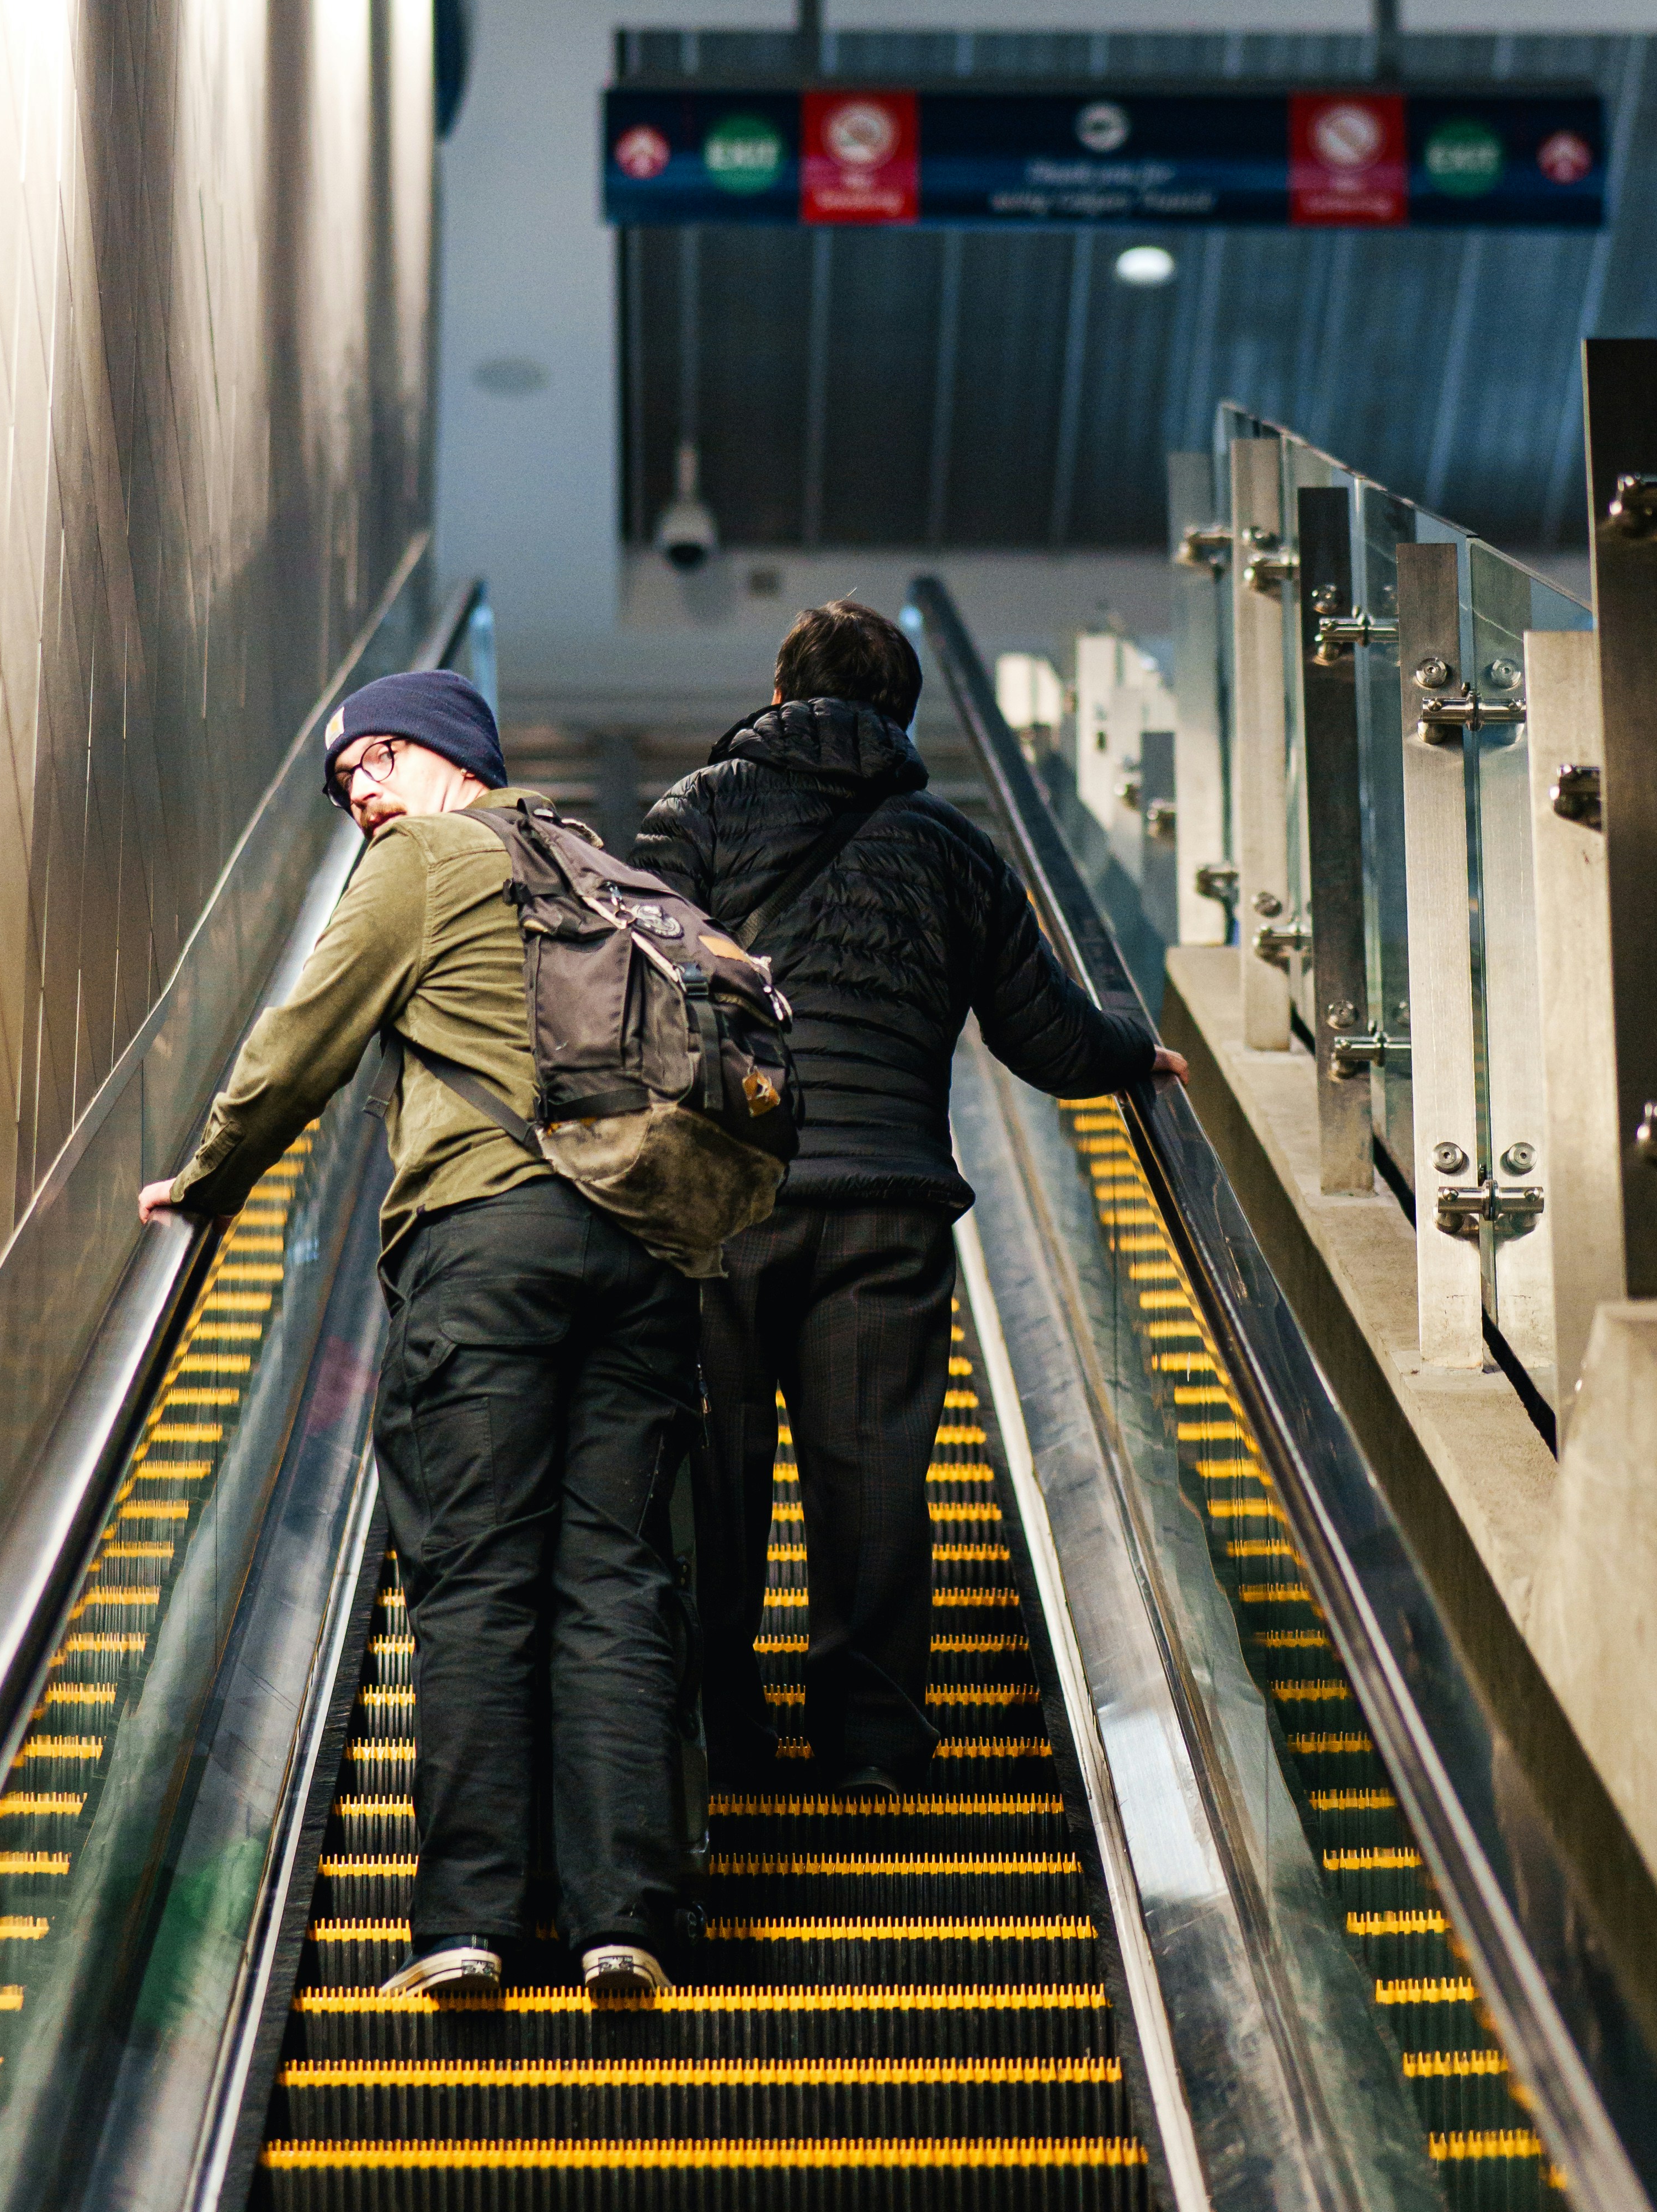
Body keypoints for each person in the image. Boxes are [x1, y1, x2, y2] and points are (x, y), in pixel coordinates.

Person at [138, 668, 696, 2005]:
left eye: (371, 763)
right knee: (614, 1580)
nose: (360, 798)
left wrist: (207, 1181)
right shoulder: (598, 867)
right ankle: (627, 1920)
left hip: (485, 1248)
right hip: (641, 1254)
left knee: (478, 1576)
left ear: (442, 755)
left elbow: (299, 1047)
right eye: (344, 786)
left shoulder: (422, 864)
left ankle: (471, 1926)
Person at [638, 598, 1185, 1793]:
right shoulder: (951, 847)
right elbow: (1041, 1036)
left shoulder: (696, 814)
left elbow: (626, 986)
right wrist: (1132, 1052)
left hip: (722, 1199)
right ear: (900, 713)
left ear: (780, 695)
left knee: (713, 1476)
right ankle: (870, 1747)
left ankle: (722, 1736)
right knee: (873, 1475)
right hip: (883, 1205)